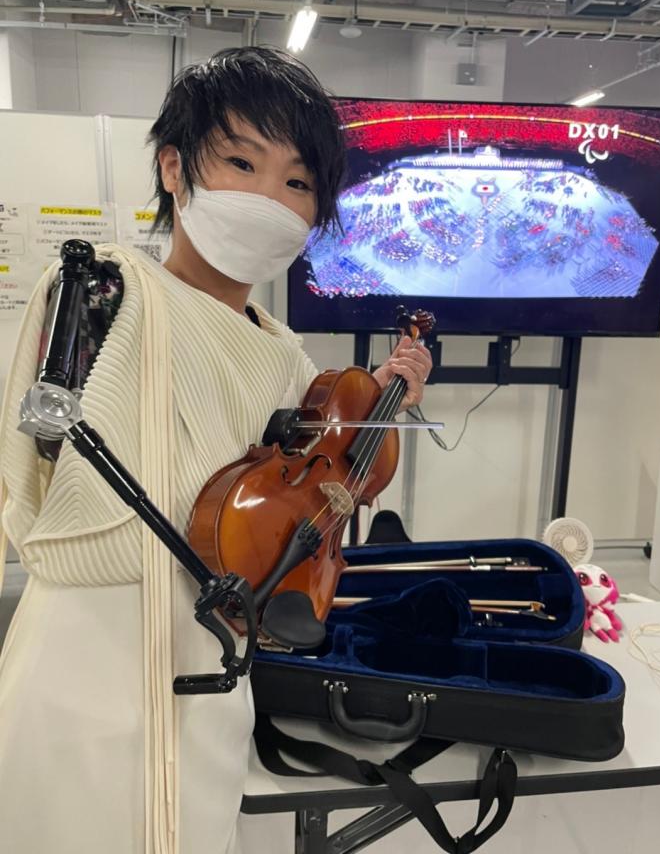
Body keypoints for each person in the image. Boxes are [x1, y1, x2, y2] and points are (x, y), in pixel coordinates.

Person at [0, 46, 432, 854]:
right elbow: (28, 474)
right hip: (87, 657)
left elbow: (343, 478)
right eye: (242, 162)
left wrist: (388, 398)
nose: (271, 199)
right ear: (174, 168)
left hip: (215, 659)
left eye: (298, 183)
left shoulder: (283, 351)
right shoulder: (103, 289)